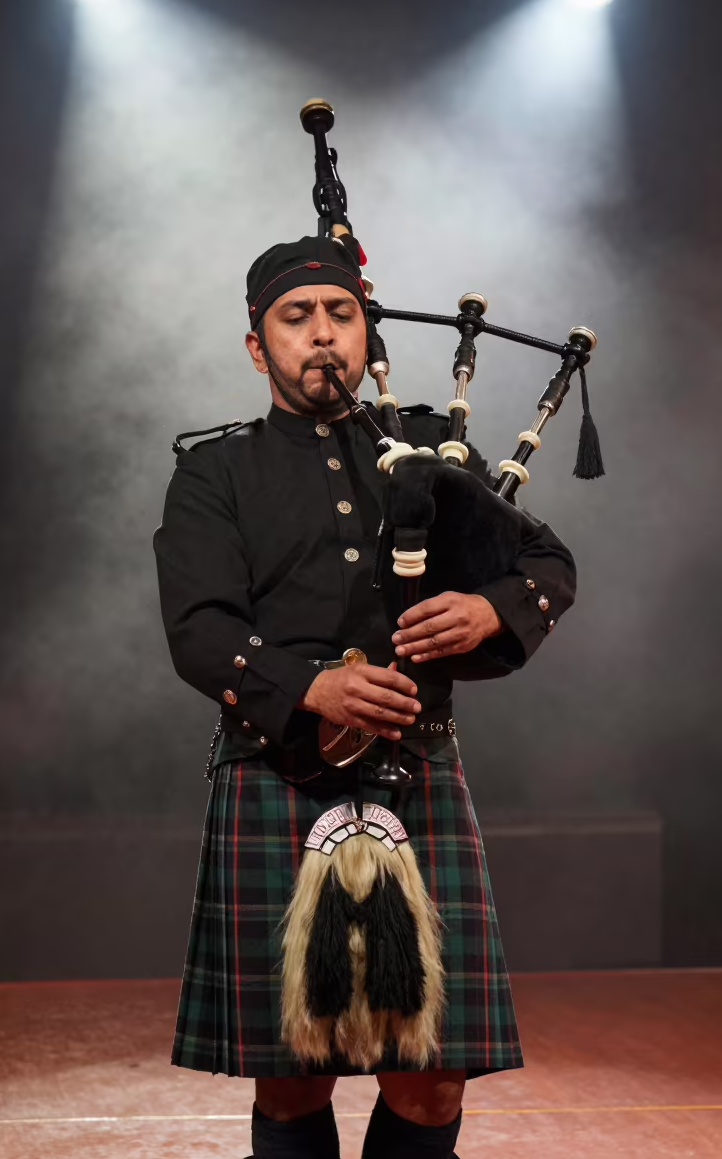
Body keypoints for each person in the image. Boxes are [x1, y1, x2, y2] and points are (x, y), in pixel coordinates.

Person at [153, 234, 576, 1158]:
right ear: (257, 346)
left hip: (417, 771)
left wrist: (487, 608)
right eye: (296, 318)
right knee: (293, 1075)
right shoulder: (213, 475)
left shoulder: (426, 447)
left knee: (431, 1078)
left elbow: (547, 563)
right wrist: (315, 686)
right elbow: (200, 632)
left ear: (366, 334)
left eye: (340, 315)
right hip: (276, 776)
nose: (322, 337)